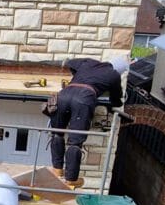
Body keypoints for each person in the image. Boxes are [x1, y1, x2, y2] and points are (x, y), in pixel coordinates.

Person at [50, 57, 128, 186]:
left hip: (63, 95)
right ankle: (71, 179)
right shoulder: (114, 74)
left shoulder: (88, 62)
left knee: (57, 133)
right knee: (75, 142)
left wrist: (78, 75)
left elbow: (70, 63)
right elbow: (116, 98)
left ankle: (57, 170)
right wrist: (116, 104)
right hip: (84, 99)